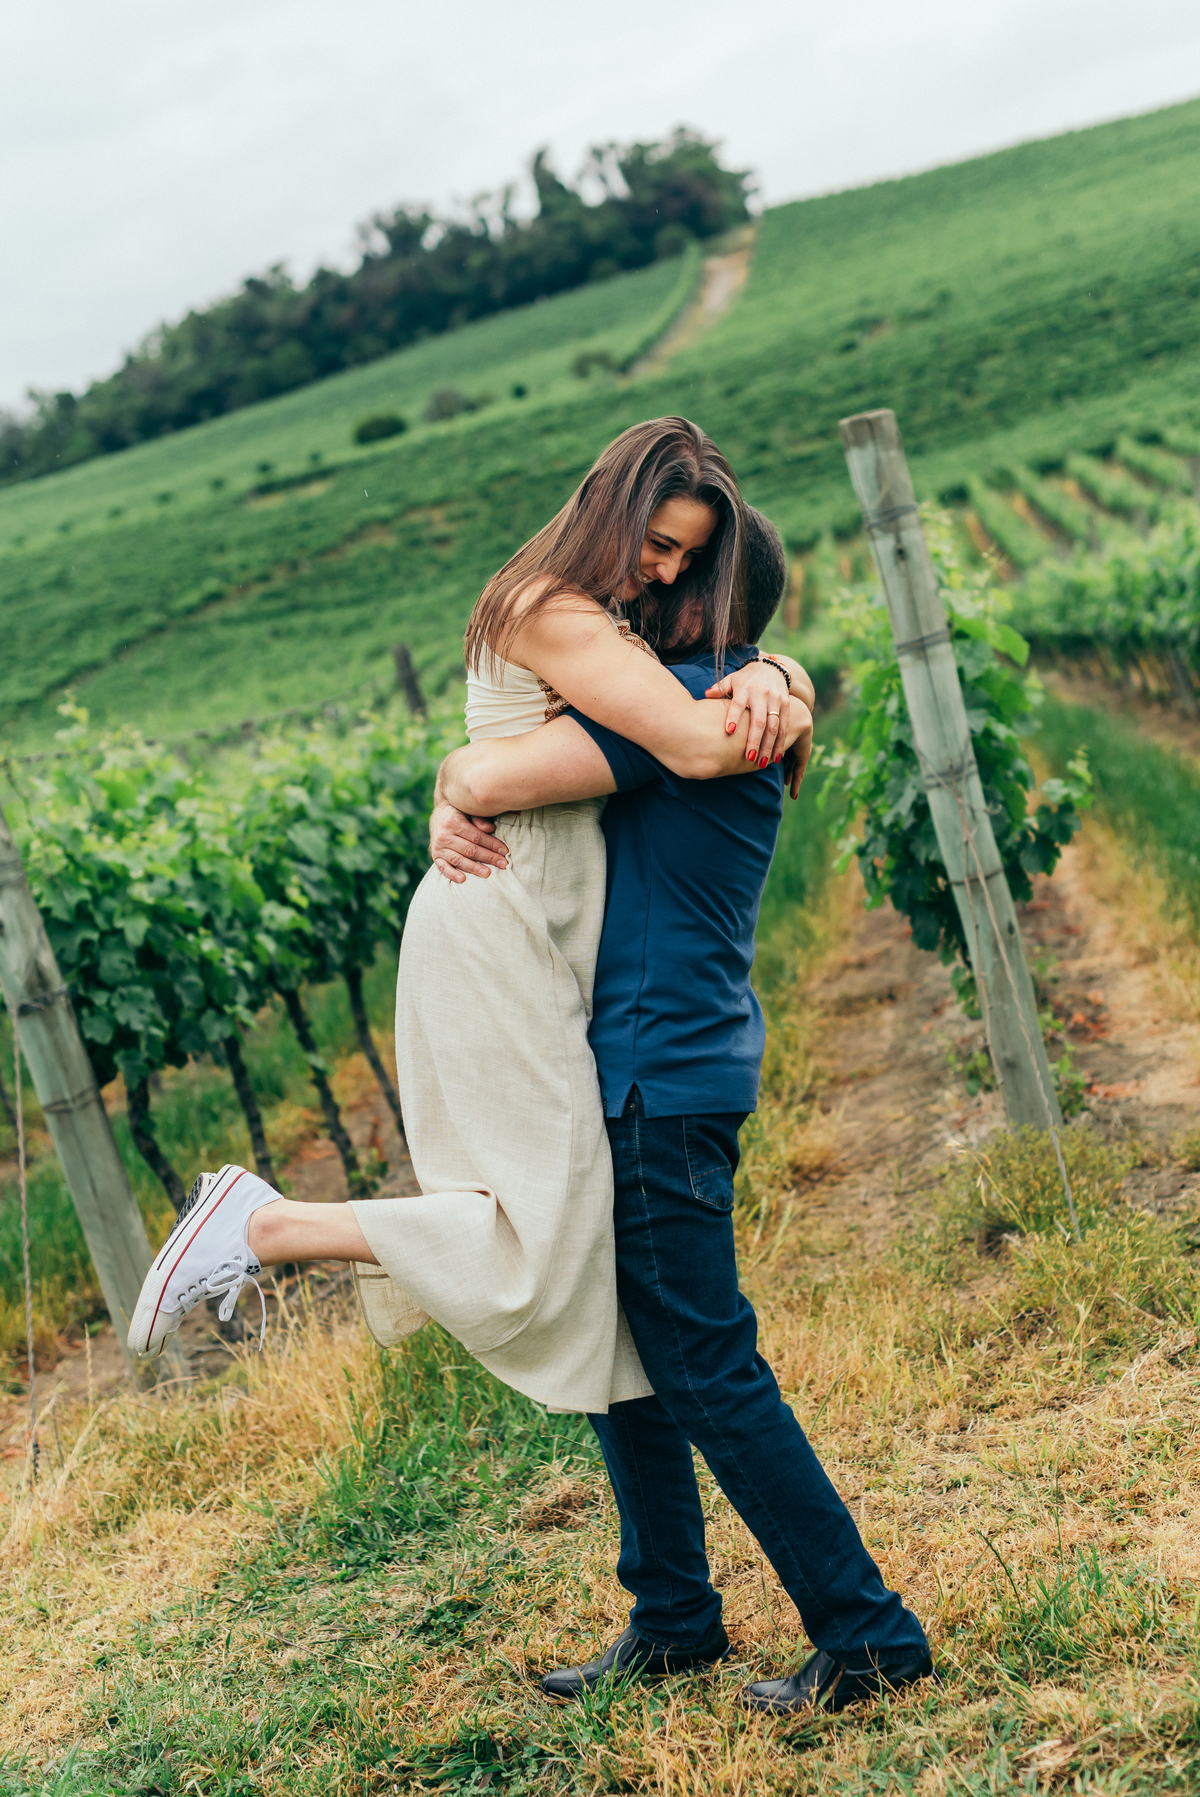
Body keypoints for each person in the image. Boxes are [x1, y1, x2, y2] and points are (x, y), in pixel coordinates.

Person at [128, 419, 808, 1424]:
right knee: (548, 1235)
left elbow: (669, 691)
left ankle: (663, 1549)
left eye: (689, 559)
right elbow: (693, 741)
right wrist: (776, 688)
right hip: (507, 914)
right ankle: (266, 1225)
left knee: (587, 1245)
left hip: (550, 917)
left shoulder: (608, 615)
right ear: (613, 509)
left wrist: (776, 669)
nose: (668, 571)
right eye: (660, 544)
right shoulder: (548, 606)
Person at [429, 509, 937, 1716]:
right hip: (667, 1067)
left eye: (675, 579)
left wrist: (454, 788)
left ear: (709, 606)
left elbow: (485, 773)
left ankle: (869, 1635)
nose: (642, 598)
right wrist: (784, 673)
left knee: (706, 1366)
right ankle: (672, 1616)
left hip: (651, 1080)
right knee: (635, 1355)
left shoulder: (683, 717)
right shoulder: (730, 703)